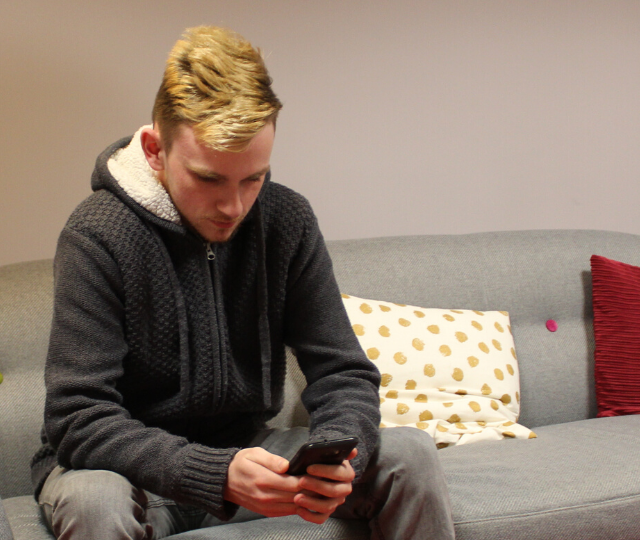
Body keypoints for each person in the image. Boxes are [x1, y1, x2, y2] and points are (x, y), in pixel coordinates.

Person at [30, 25, 454, 540]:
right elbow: (78, 418)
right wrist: (215, 475)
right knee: (96, 503)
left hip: (248, 454)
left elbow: (343, 372)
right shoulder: (97, 235)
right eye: (208, 178)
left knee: (411, 453)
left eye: (253, 178)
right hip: (123, 473)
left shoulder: (286, 221)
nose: (233, 206)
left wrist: (340, 450)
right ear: (154, 149)